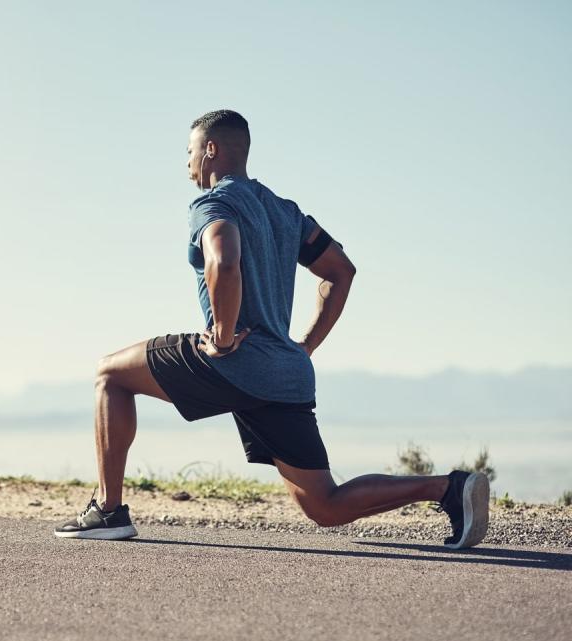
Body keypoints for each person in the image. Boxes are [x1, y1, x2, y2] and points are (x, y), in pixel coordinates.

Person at [53, 109, 489, 550]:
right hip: (285, 373)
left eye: (188, 153)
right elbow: (341, 270)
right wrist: (304, 347)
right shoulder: (285, 211)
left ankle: (108, 511)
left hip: (231, 361)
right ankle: (449, 489)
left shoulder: (213, 203)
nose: (186, 167)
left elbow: (223, 260)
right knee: (325, 506)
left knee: (110, 374)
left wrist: (222, 337)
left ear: (210, 150)